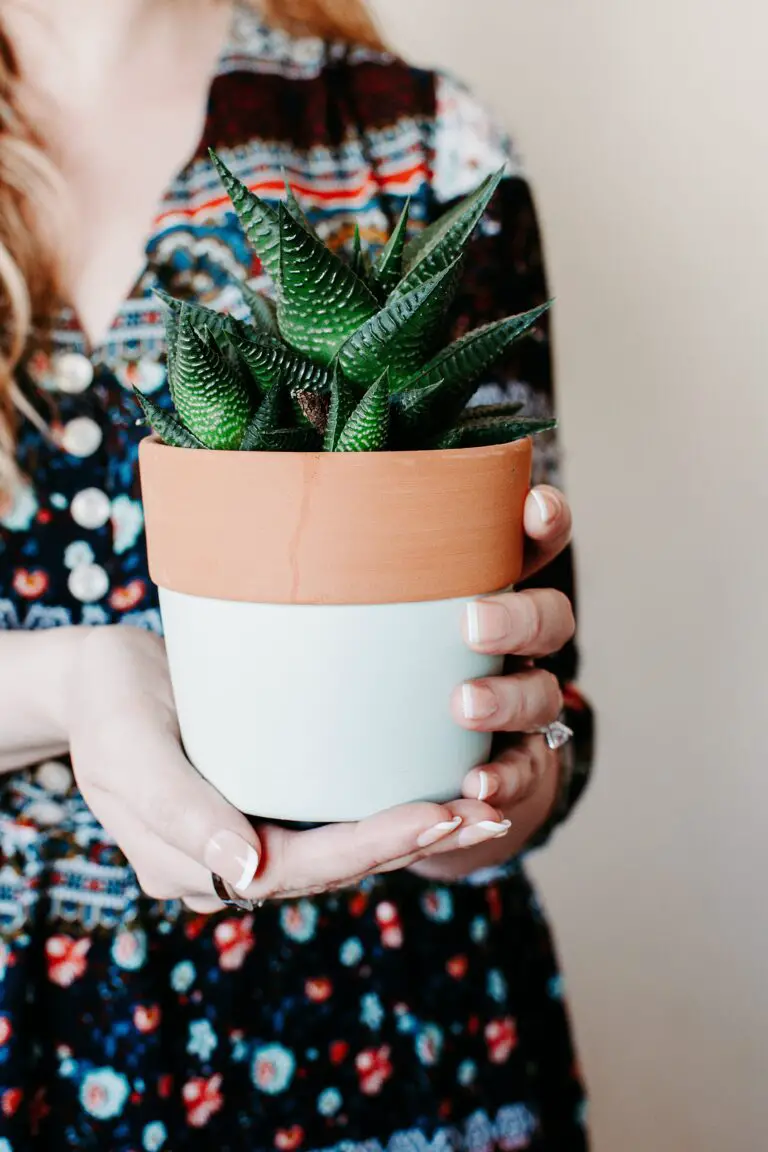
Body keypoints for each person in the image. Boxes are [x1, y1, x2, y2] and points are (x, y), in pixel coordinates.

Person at [0, 0, 595, 1147]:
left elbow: (547, 694)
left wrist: (493, 792)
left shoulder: (427, 144)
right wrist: (76, 682)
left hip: (390, 1034)